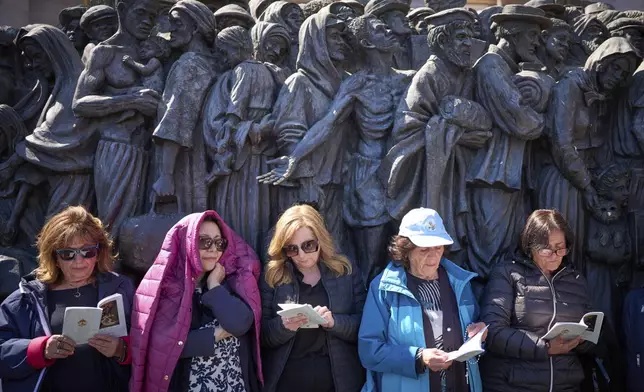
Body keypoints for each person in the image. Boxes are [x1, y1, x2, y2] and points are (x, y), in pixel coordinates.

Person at [0, 206, 135, 392]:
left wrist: (121, 350)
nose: (79, 261)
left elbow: (153, 344)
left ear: (98, 253)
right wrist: (40, 349)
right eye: (67, 254)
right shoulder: (26, 298)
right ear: (54, 258)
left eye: (87, 252)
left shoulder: (122, 289)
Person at [129, 211, 262, 392]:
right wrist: (216, 334)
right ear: (187, 244)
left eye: (219, 242)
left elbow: (240, 324)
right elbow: (164, 349)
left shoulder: (228, 280)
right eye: (204, 241)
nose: (213, 249)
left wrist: (214, 286)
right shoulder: (166, 289)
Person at [359, 207, 486, 392]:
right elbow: (370, 351)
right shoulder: (383, 289)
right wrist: (418, 357)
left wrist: (480, 334)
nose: (433, 256)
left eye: (438, 247)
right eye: (424, 249)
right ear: (405, 250)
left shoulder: (460, 282)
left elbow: (473, 332)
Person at [479, 209, 595, 391]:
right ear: (530, 246)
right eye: (546, 249)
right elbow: (493, 331)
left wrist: (582, 341)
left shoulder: (576, 280)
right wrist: (545, 347)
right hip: (514, 384)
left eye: (560, 247)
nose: (555, 255)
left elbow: (589, 333)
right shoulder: (508, 274)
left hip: (565, 384)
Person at [260, 203, 366, 392]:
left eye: (308, 245)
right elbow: (262, 336)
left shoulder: (345, 271)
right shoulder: (273, 275)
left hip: (338, 380)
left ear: (321, 239)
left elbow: (364, 327)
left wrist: (334, 323)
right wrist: (284, 327)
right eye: (292, 249)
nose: (301, 255)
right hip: (287, 379)